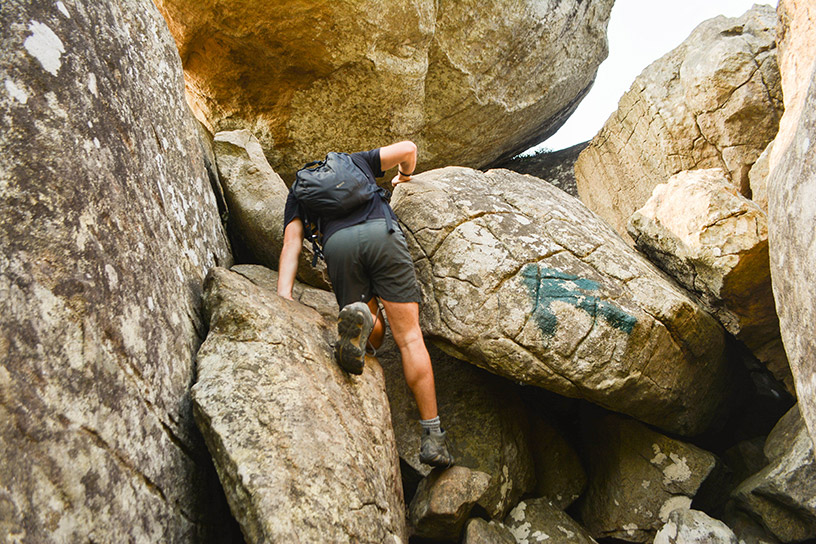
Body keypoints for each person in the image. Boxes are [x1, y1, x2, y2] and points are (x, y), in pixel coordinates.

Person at [277, 141, 454, 468]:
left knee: (372, 327)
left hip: (339, 246)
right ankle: (433, 438)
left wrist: (284, 296)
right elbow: (409, 149)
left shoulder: (298, 192)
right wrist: (404, 176)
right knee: (410, 338)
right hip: (380, 234)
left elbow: (292, 244)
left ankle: (364, 322)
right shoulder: (355, 162)